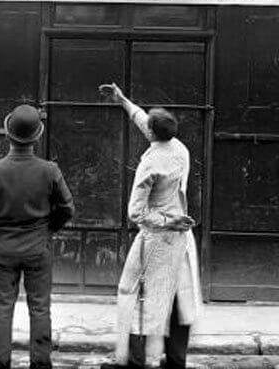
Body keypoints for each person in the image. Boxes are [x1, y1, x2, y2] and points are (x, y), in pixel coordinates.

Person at [100, 83, 202, 369]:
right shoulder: (180, 148)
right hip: (183, 239)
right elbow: (144, 121)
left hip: (157, 240)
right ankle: (176, 360)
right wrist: (123, 101)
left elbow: (135, 212)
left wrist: (167, 221)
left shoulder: (151, 164)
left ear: (153, 134)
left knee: (135, 295)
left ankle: (134, 361)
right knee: (180, 300)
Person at [0, 104, 74, 369]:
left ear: (8, 135)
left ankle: (0, 363)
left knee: (2, 307)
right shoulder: (49, 170)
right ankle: (40, 363)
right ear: (37, 137)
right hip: (38, 246)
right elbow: (67, 209)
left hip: (3, 247)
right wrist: (47, 229)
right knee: (40, 307)